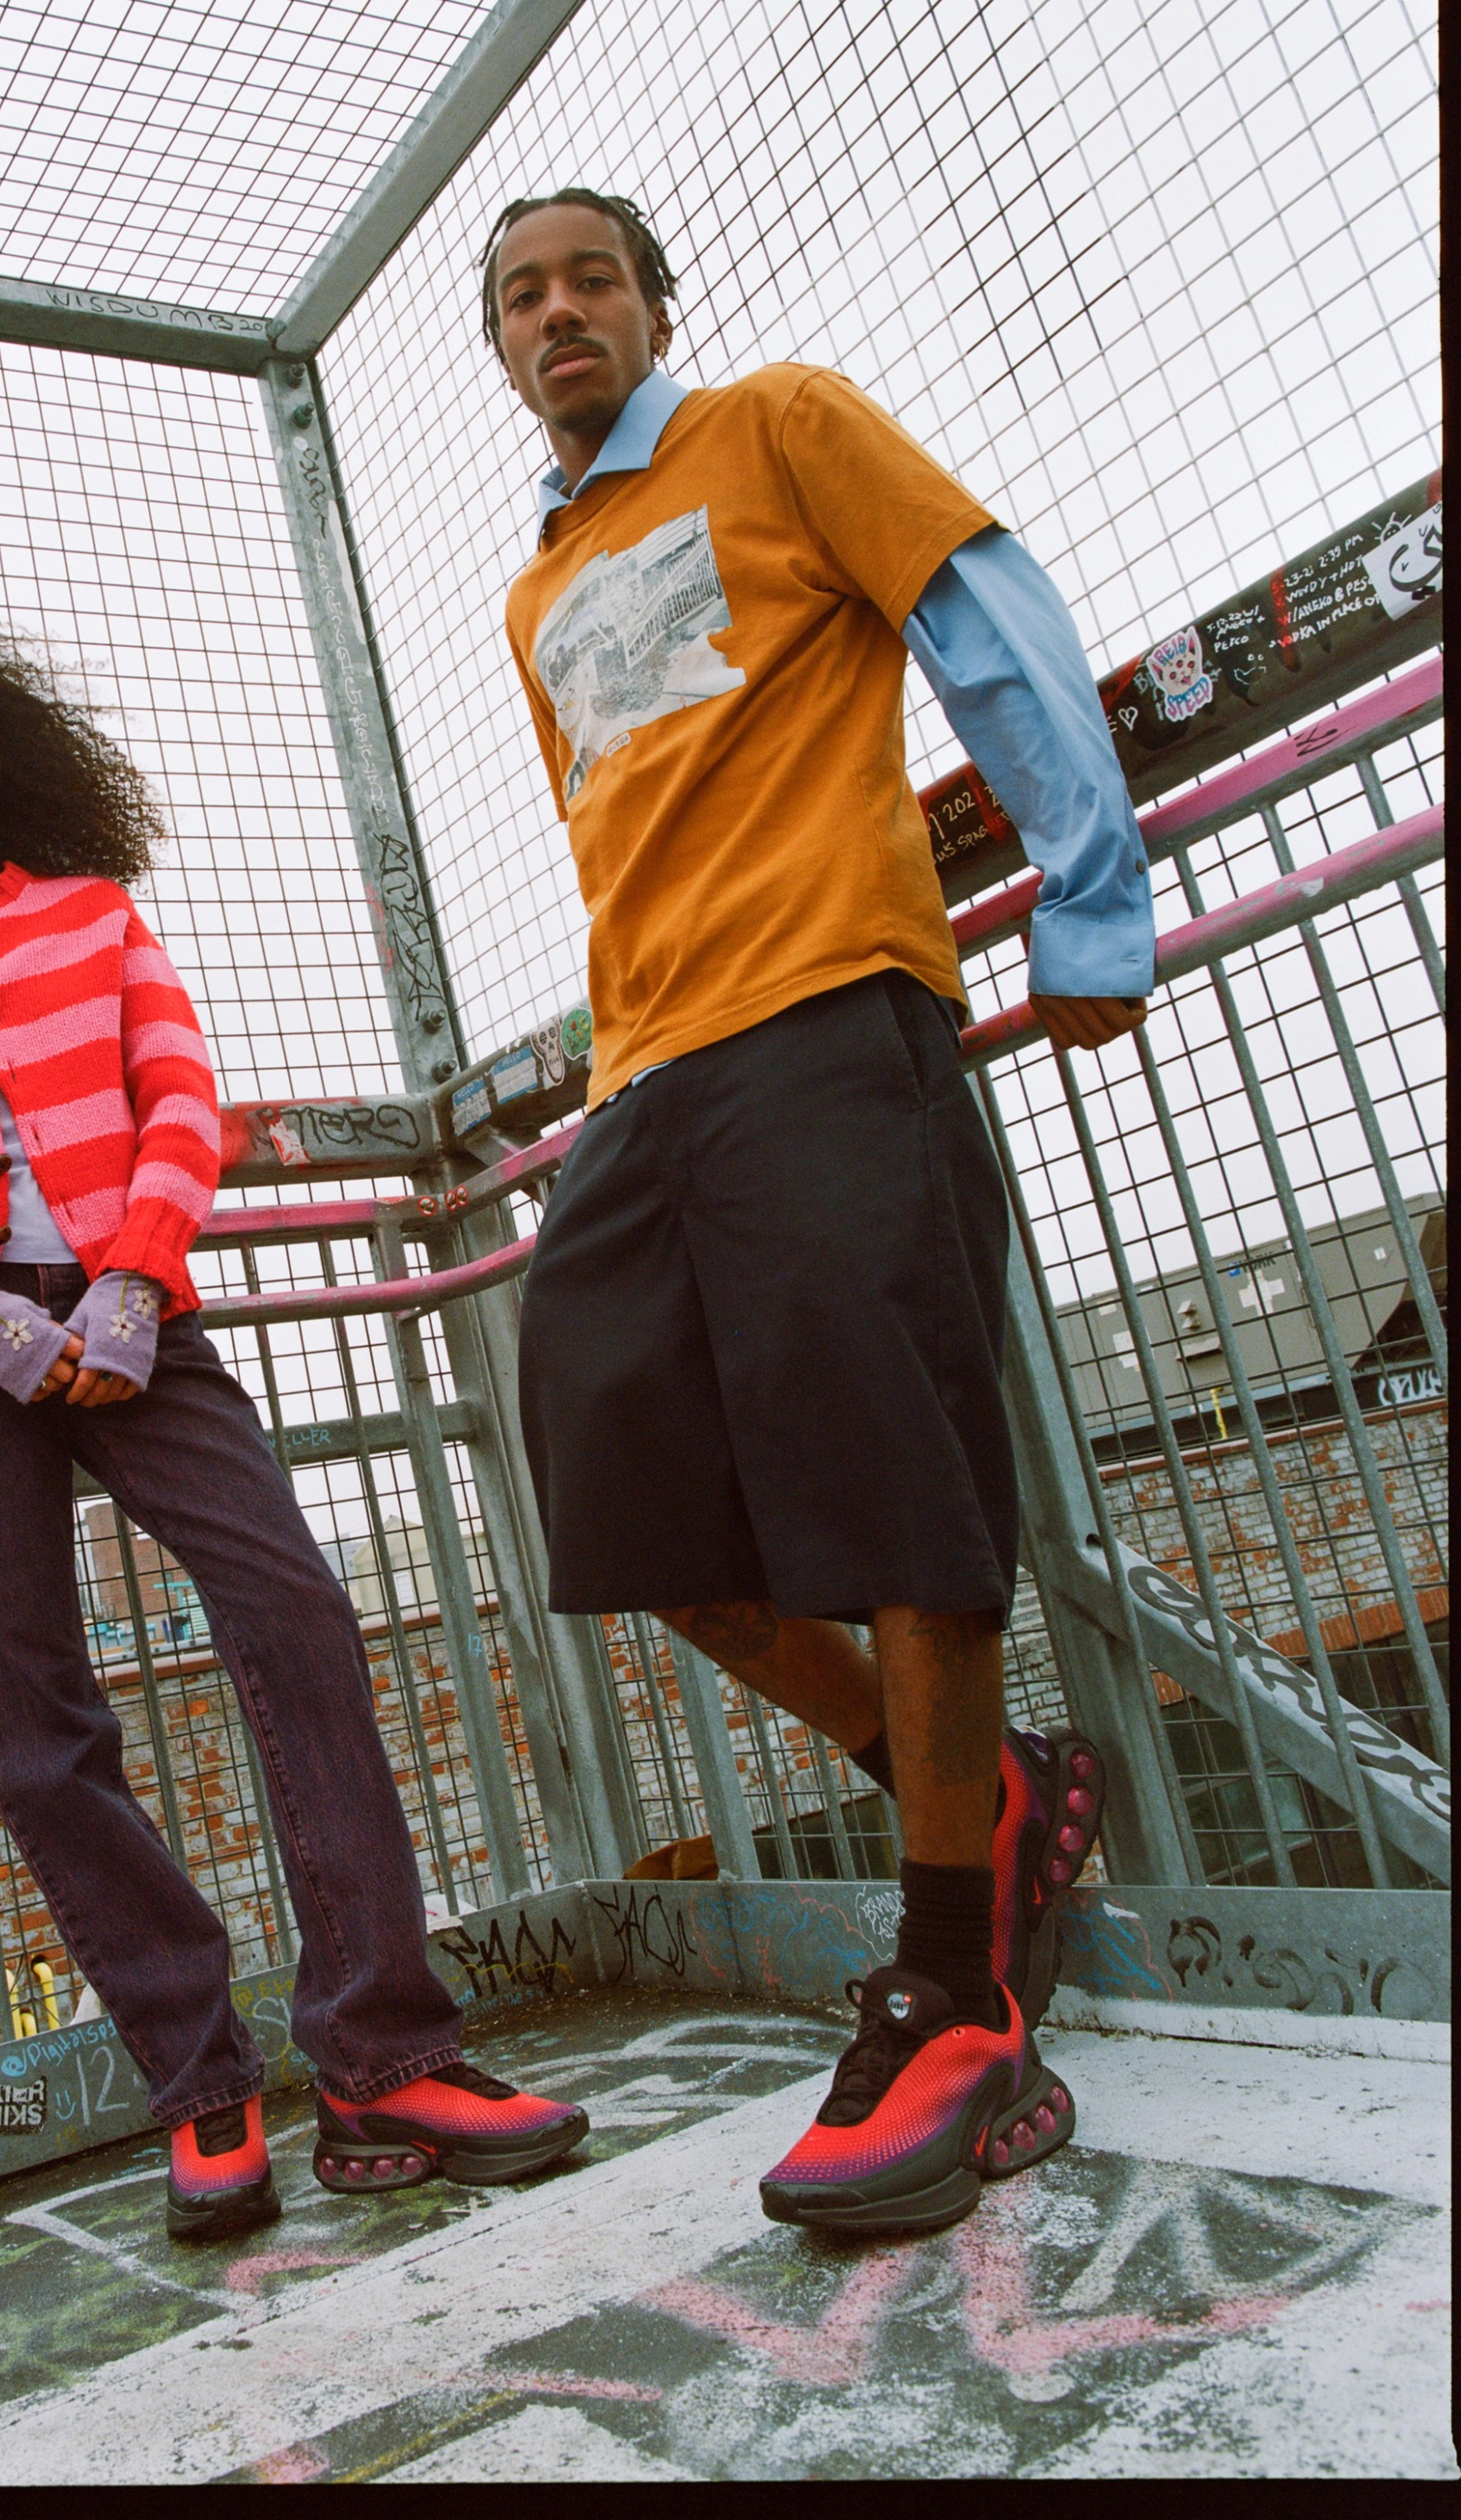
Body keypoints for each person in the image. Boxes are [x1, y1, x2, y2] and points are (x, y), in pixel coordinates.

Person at [482, 191, 1149, 2238]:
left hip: (833, 1014)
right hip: (642, 1082)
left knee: (904, 1512)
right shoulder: (538, 595)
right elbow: (627, 825)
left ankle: (953, 1985)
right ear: (505, 353)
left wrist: (1090, 888)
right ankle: (986, 1792)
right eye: (522, 296)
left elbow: (984, 612)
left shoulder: (776, 426)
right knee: (631, 1519)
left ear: (653, 307)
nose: (559, 311)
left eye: (591, 276)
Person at [0, 622, 589, 2243]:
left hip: (139, 1316)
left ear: (10, 773)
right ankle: (201, 2088)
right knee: (35, 1725)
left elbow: (181, 1098)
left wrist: (134, 1281)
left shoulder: (91, 918)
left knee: (295, 1609)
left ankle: (380, 2049)